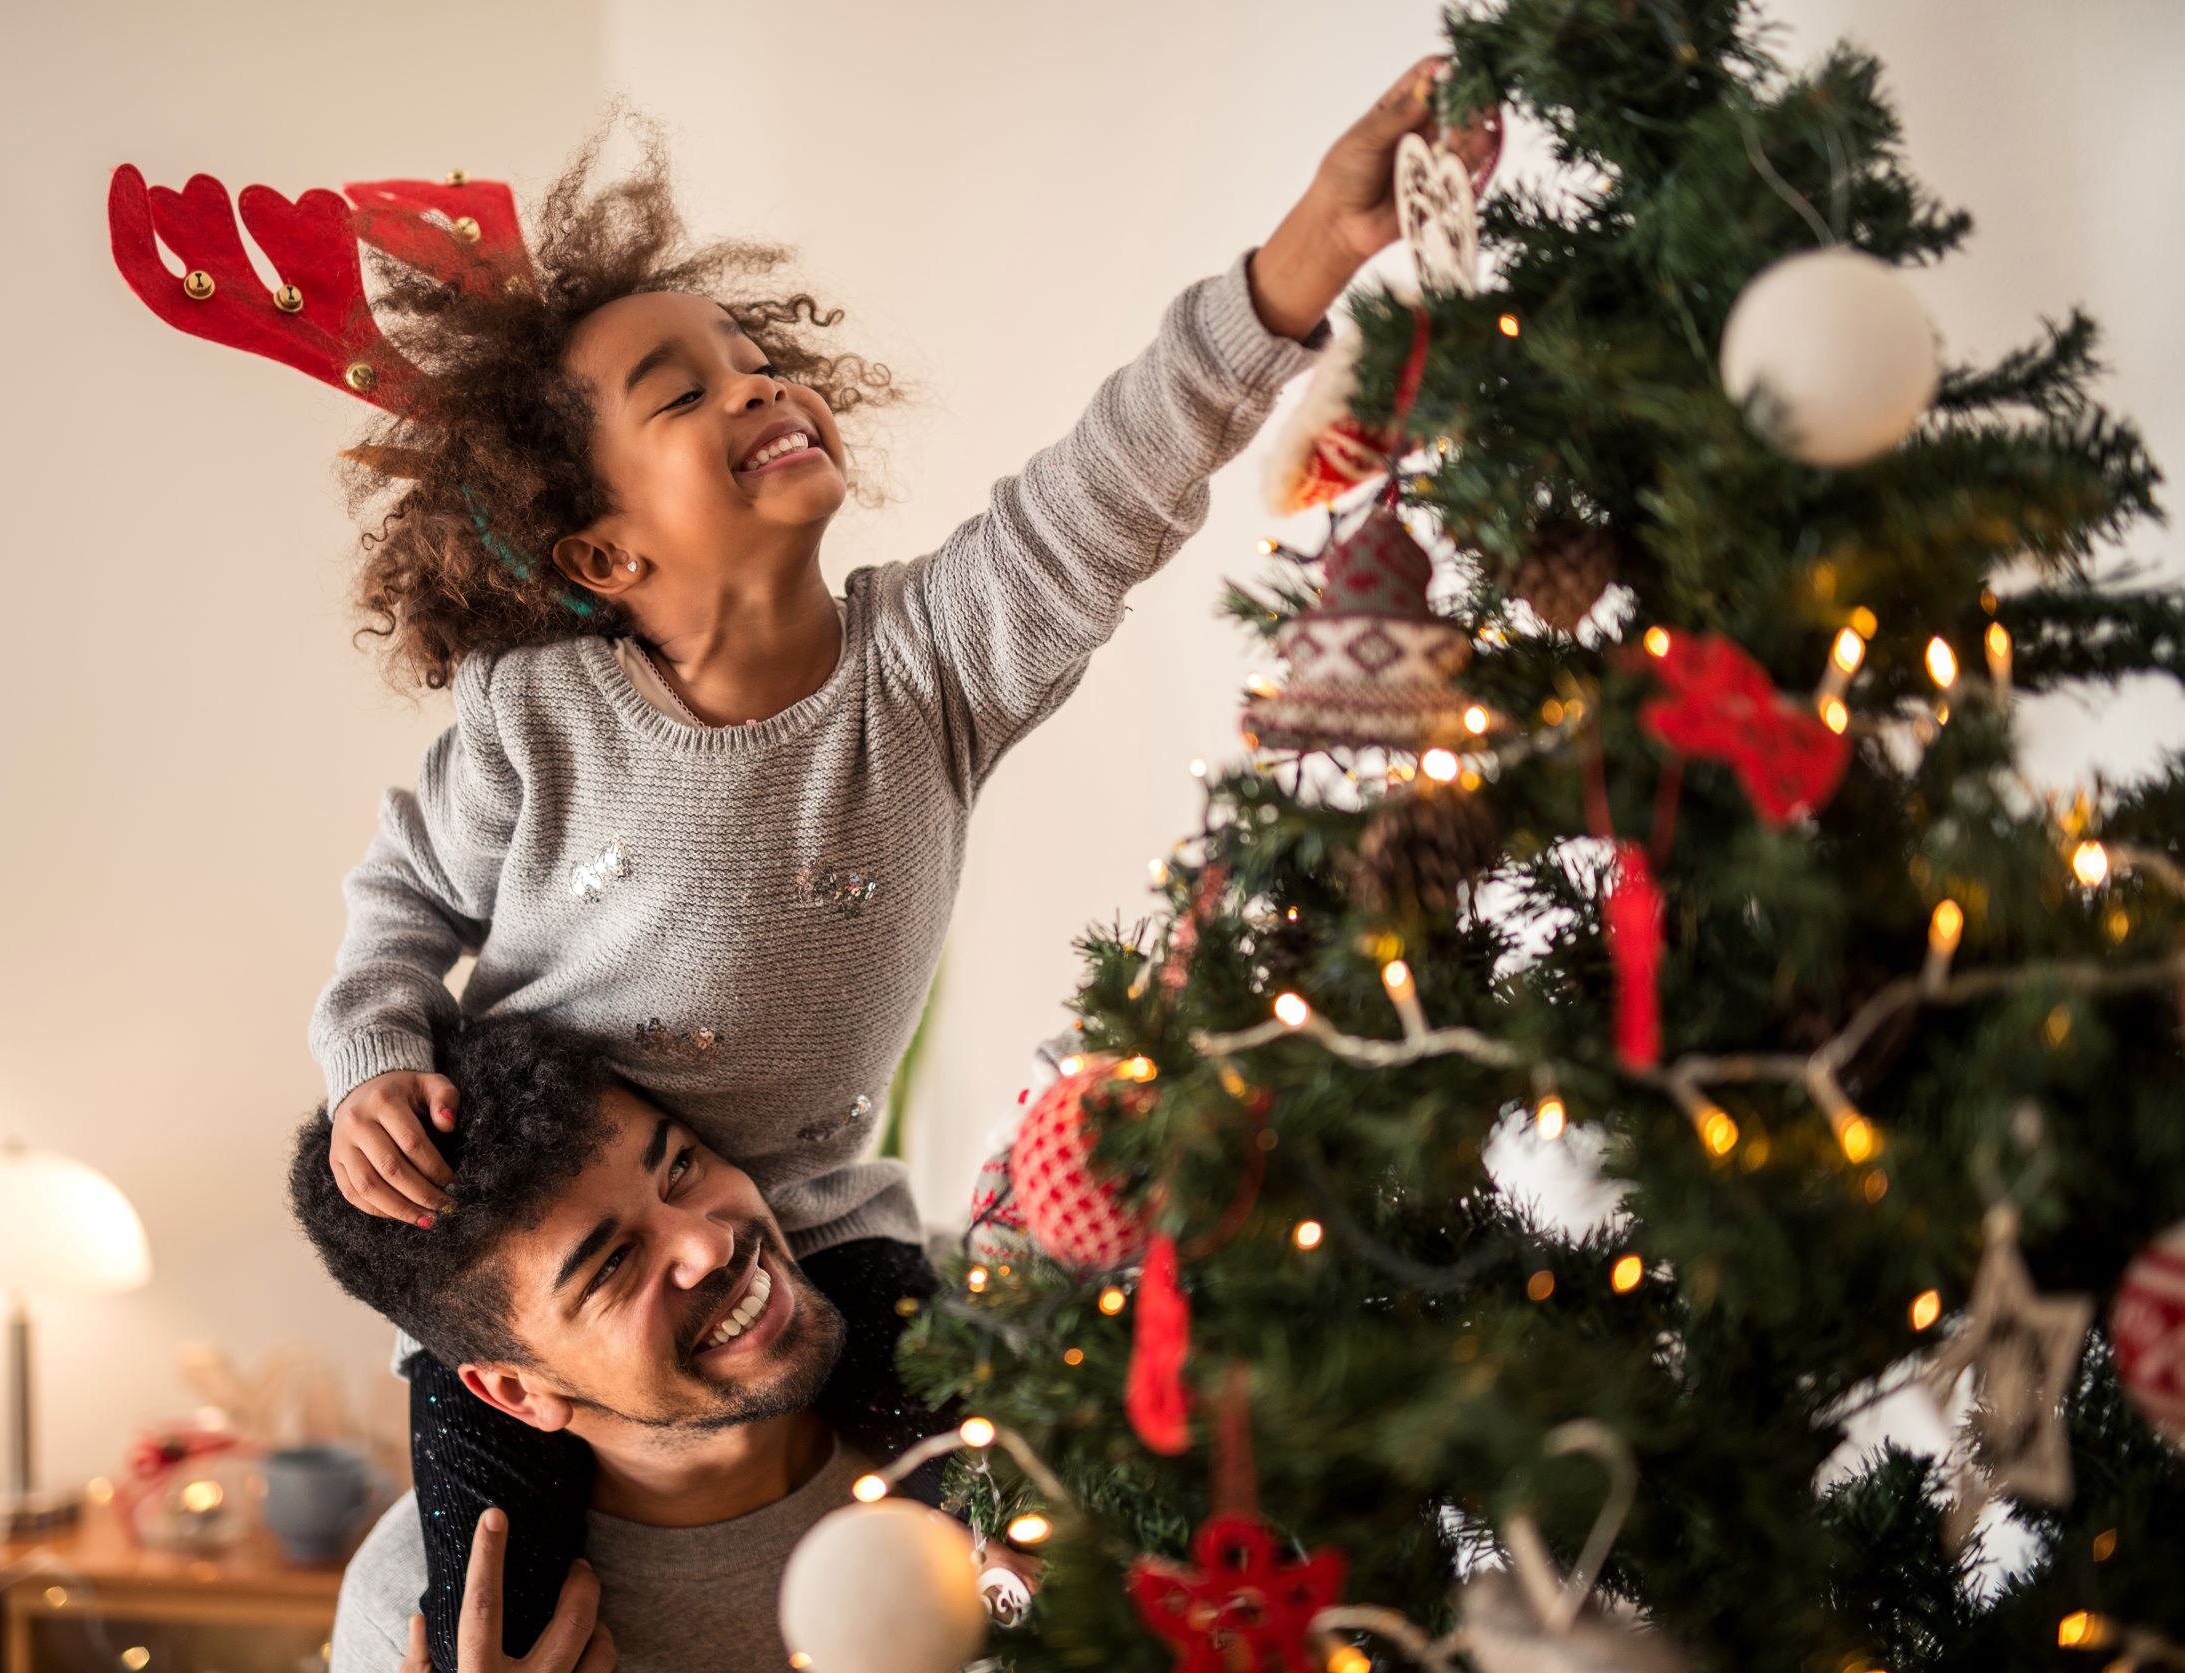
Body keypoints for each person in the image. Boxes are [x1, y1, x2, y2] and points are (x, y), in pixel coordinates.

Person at [295, 60, 1486, 1669]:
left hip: (824, 1222)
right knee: (480, 1613)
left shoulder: (929, 668)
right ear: (602, 552)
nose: (754, 387)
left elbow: (1109, 486)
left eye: (753, 359)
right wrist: (371, 1048)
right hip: (532, 1220)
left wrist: (1297, 270)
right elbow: (402, 893)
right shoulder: (540, 712)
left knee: (1003, 1500)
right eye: (680, 392)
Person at [293, 1010, 928, 1673]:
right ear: (516, 1389)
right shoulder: (405, 1619)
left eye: (681, 1167)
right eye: (613, 1264)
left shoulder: (1002, 1374)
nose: (709, 1243)